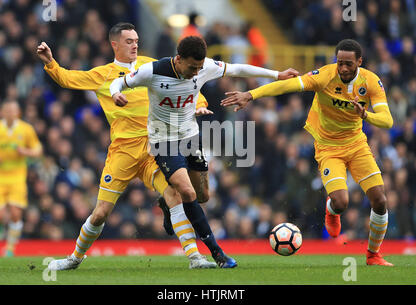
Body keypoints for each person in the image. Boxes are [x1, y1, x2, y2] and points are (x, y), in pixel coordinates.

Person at [37, 22, 217, 270]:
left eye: (136, 40)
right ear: (115, 44)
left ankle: (195, 257)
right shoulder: (103, 75)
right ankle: (74, 258)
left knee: (175, 193)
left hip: (155, 145)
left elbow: (187, 85)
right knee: (100, 213)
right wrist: (51, 63)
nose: (135, 45)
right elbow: (68, 79)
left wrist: (199, 105)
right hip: (122, 151)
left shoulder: (151, 64)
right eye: (129, 41)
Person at [110, 35, 299, 267]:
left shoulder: (204, 67)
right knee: (187, 193)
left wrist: (276, 74)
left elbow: (237, 69)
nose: (195, 73)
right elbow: (119, 82)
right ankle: (217, 253)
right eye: (191, 68)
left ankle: (166, 205)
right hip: (163, 140)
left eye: (199, 68)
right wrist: (115, 93)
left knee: (202, 196)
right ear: (178, 59)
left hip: (190, 137)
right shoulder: (152, 71)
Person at [220, 39, 394, 266]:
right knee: (341, 202)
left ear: (359, 62)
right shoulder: (324, 76)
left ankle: (373, 255)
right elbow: (286, 86)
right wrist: (251, 95)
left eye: (348, 64)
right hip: (328, 147)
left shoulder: (371, 82)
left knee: (380, 200)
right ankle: (331, 210)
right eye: (339, 62)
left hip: (357, 144)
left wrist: (366, 115)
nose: (342, 68)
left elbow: (387, 120)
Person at [0, 100, 43, 256]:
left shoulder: (26, 129)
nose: (9, 113)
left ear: (18, 112)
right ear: (2, 112)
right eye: (7, 110)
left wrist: (25, 152)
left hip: (17, 177)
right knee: (0, 215)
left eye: (12, 110)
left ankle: (10, 248)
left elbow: (38, 150)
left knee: (15, 213)